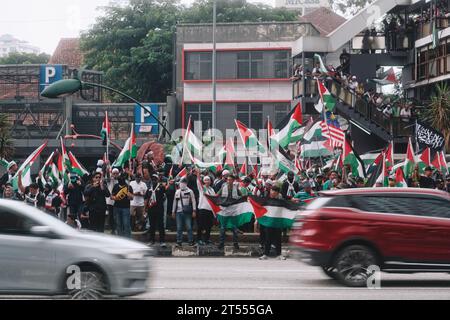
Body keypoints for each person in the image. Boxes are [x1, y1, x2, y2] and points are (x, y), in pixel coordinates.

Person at [259, 186, 286, 261]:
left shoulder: (281, 201)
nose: (272, 192)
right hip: (269, 222)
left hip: (277, 223)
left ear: (277, 193)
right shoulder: (266, 200)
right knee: (268, 239)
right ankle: (265, 254)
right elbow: (259, 205)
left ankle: (279, 254)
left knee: (278, 239)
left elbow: (288, 206)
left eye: (274, 191)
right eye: (271, 190)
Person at [217, 174, 242, 250]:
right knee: (223, 228)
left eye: (230, 179)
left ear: (233, 180)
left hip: (233, 210)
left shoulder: (236, 188)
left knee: (234, 228)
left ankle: (235, 244)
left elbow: (241, 195)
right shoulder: (223, 187)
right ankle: (221, 243)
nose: (228, 181)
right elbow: (217, 195)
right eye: (227, 180)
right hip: (225, 210)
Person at [172, 178, 197, 247]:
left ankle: (191, 241)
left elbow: (193, 201)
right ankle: (179, 241)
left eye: (183, 182)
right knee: (179, 228)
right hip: (178, 212)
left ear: (186, 183)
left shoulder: (190, 191)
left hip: (187, 212)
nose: (182, 184)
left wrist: (194, 211)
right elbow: (175, 202)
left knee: (189, 227)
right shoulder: (177, 192)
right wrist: (173, 211)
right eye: (181, 182)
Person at [145, 174, 166, 246]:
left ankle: (162, 241)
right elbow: (146, 199)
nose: (153, 181)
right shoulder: (149, 189)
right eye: (152, 179)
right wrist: (145, 208)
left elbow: (166, 193)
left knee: (161, 225)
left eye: (155, 179)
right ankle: (152, 240)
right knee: (152, 226)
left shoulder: (161, 187)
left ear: (157, 180)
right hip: (151, 209)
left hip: (159, 209)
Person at [197, 175, 216, 245]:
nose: (207, 181)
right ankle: (199, 239)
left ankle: (206, 239)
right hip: (202, 209)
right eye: (206, 180)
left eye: (208, 180)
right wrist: (198, 174)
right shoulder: (202, 188)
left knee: (209, 226)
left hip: (210, 210)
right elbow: (198, 183)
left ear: (210, 181)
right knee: (201, 225)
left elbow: (214, 199)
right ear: (203, 181)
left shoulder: (212, 189)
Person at [106, 168, 119, 234]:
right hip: (110, 201)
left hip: (118, 201)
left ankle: (117, 228)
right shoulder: (110, 180)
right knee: (111, 216)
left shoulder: (120, 180)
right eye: (114, 173)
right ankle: (112, 229)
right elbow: (108, 176)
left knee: (116, 216)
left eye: (117, 173)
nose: (115, 175)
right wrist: (108, 170)